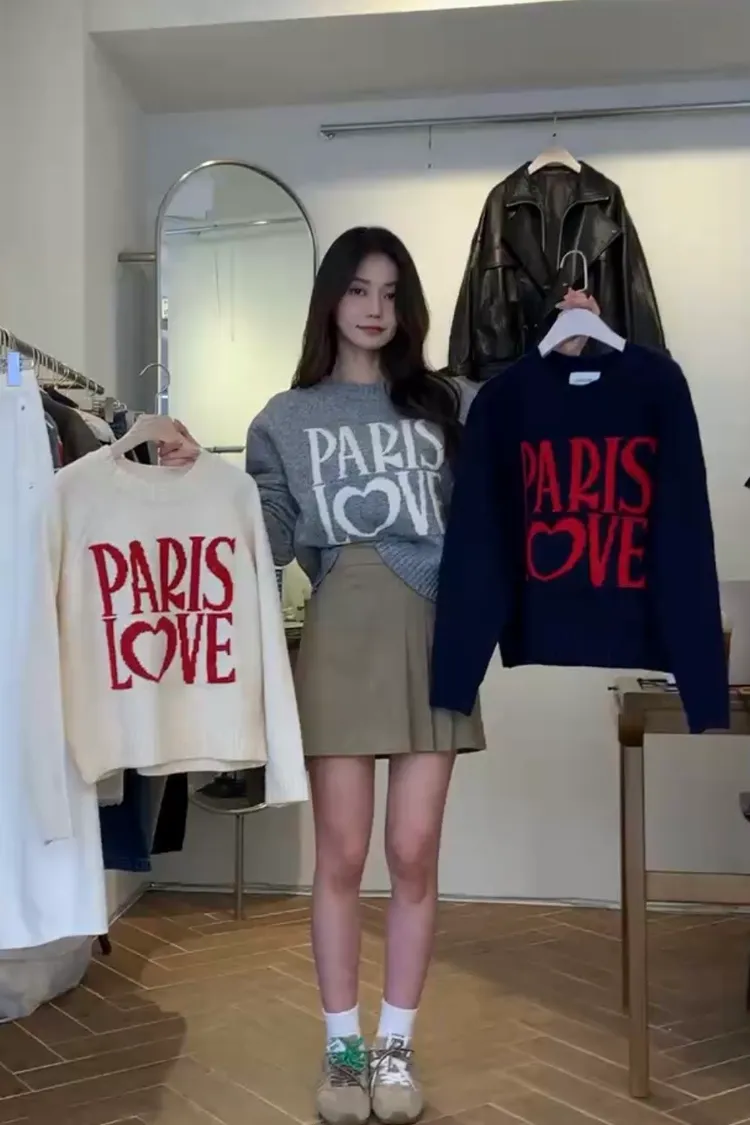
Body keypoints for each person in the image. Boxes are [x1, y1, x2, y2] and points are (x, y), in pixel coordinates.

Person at [160, 226, 485, 1125]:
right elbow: (262, 530)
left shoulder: (447, 403)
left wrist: (567, 349)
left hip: (436, 635)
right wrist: (199, 476)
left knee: (413, 850)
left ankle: (395, 1048)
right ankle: (343, 1050)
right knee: (341, 854)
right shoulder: (285, 418)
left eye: (391, 292)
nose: (375, 308)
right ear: (331, 300)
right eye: (358, 289)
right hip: (339, 633)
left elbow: (508, 480)